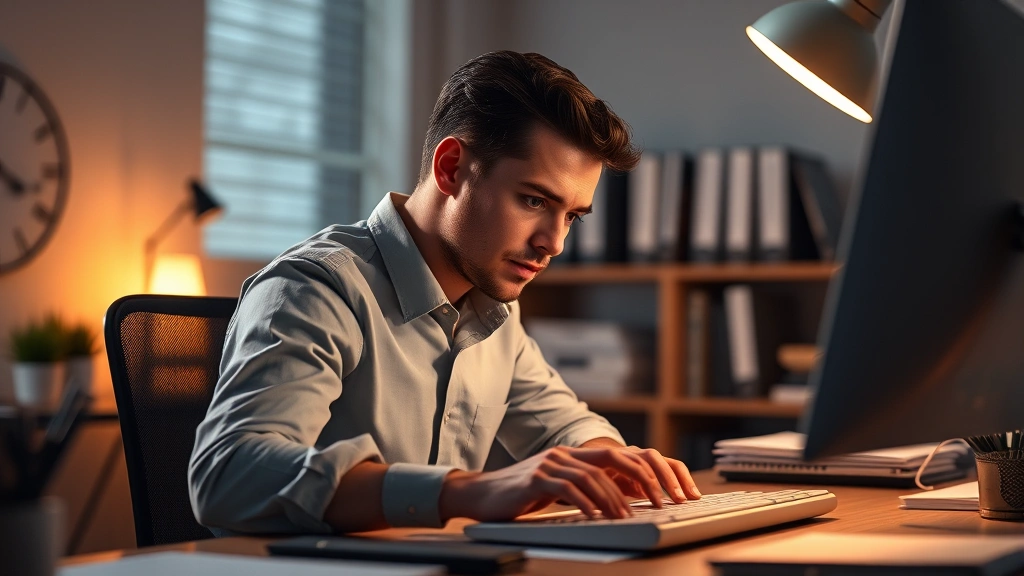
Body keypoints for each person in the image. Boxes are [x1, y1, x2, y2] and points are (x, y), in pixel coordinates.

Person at [188, 50, 701, 535]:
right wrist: (467, 492)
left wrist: (613, 462)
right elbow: (227, 474)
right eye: (533, 201)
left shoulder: (494, 308)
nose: (555, 243)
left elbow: (560, 425)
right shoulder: (315, 288)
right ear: (451, 168)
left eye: (572, 216)